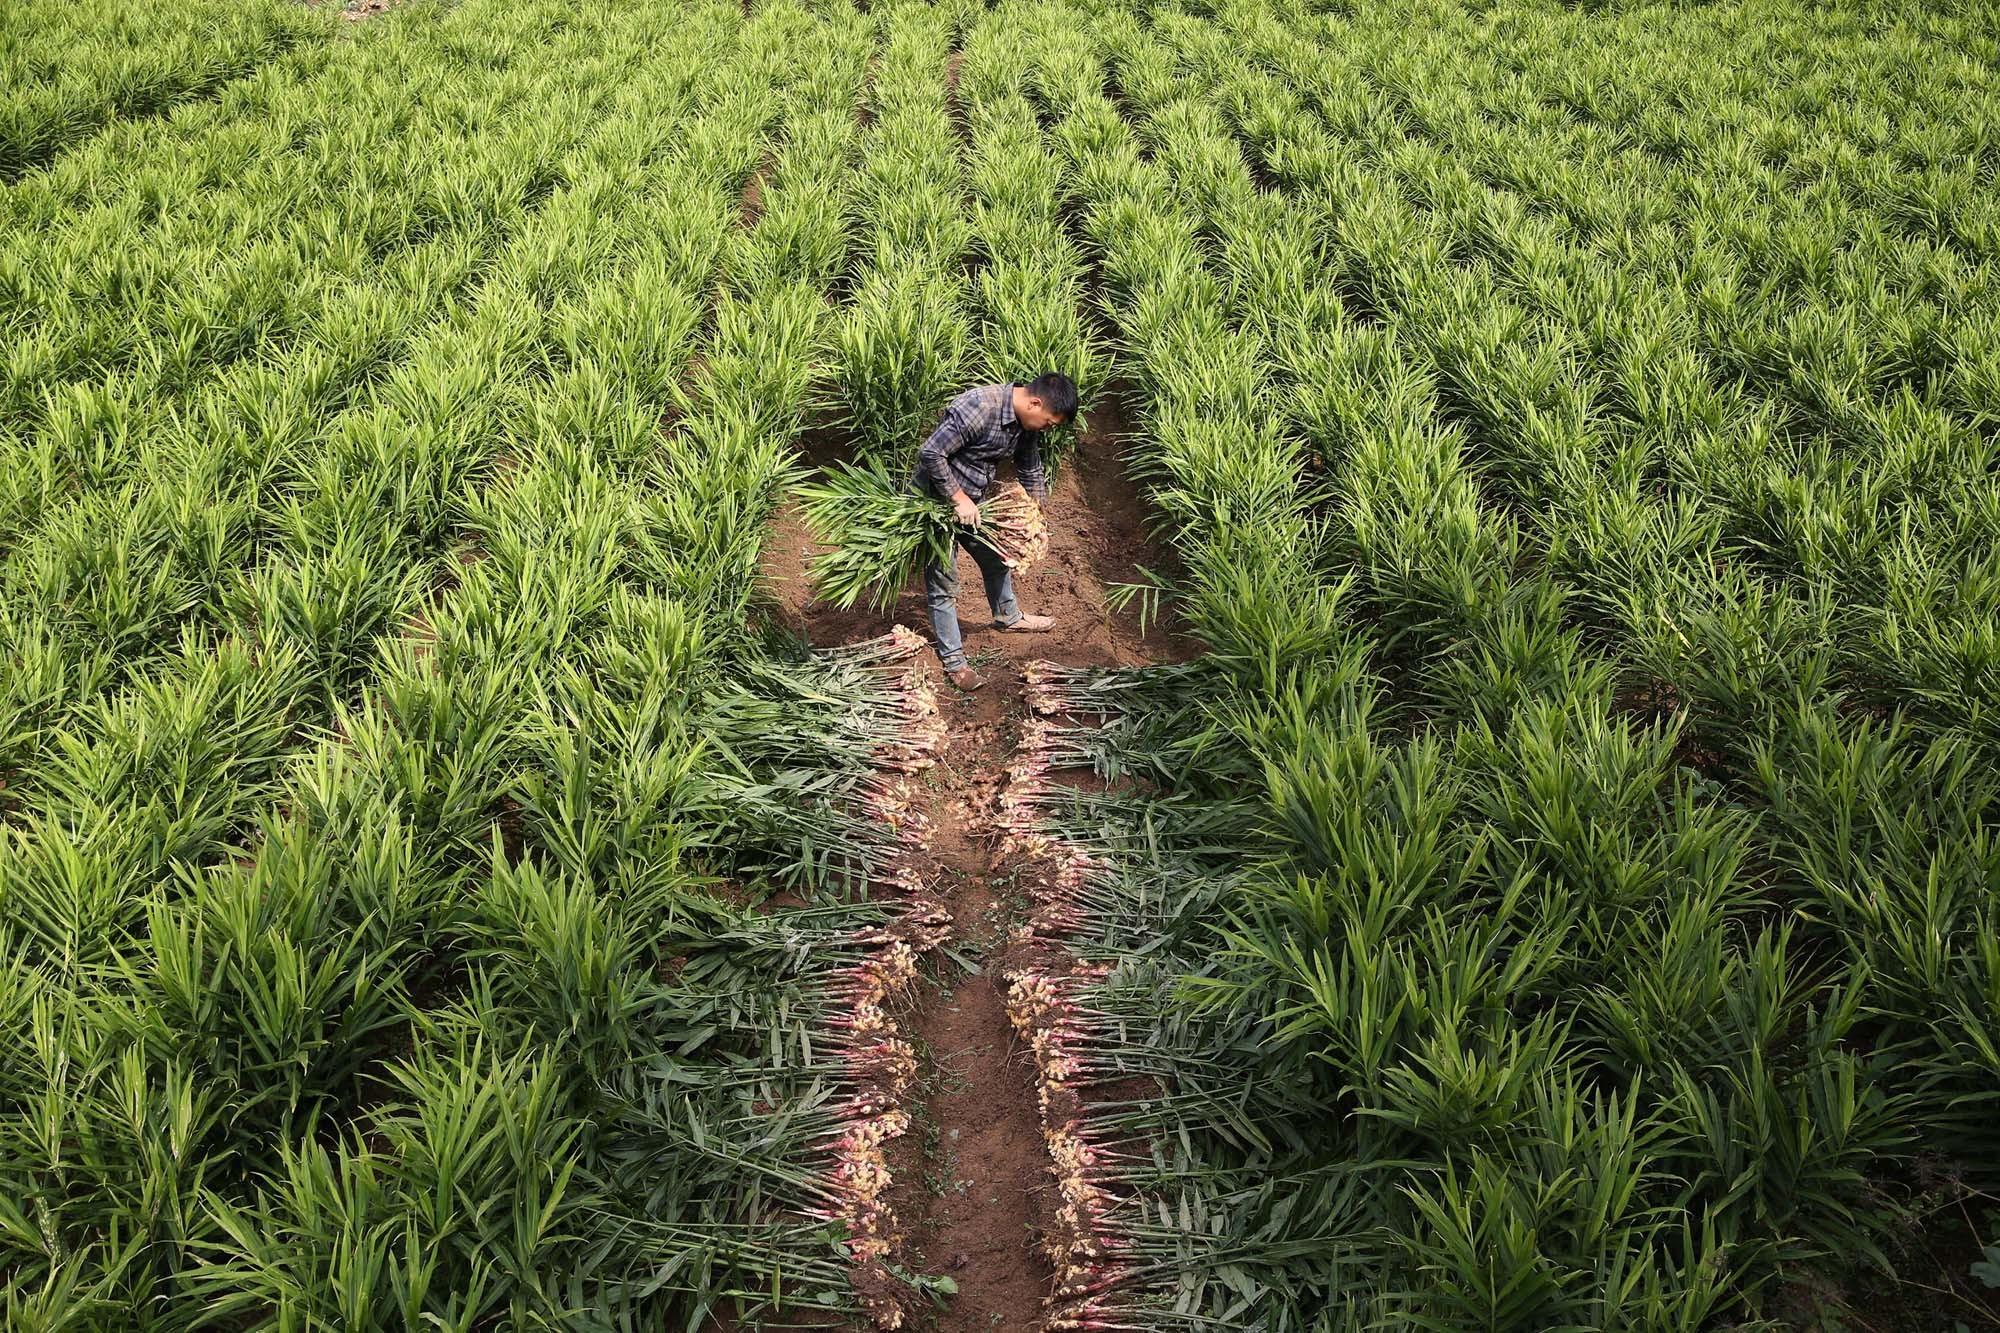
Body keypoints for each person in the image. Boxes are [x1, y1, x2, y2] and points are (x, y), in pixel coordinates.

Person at [911, 372, 1078, 690]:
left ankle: (1008, 616)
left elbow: (1029, 465)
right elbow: (931, 452)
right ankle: (955, 663)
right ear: (1035, 402)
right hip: (934, 504)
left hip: (975, 505)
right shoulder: (979, 407)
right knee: (944, 583)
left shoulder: (1026, 421)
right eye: (1048, 422)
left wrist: (1037, 511)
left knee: (996, 557)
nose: (1046, 428)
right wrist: (958, 499)